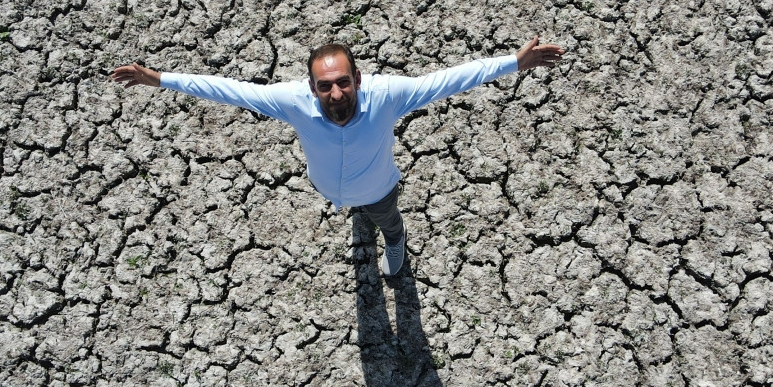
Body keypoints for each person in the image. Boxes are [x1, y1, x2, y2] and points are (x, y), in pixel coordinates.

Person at [110, 36, 564, 276]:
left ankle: (395, 241)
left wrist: (513, 63)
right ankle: (361, 220)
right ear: (311, 87)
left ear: (358, 78)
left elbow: (447, 80)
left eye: (343, 82)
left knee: (386, 220)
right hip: (328, 187)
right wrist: (159, 78)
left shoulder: (389, 94)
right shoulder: (292, 102)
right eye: (325, 85)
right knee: (356, 214)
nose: (335, 92)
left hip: (380, 187)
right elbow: (230, 91)